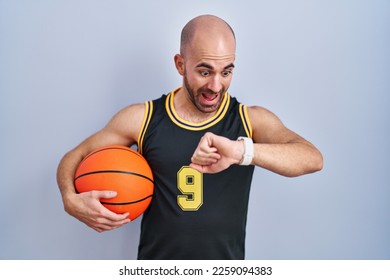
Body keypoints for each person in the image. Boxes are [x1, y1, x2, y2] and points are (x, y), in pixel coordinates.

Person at [57, 14, 323, 260]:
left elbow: (312, 158)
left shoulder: (249, 121)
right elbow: (75, 156)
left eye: (226, 72)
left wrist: (242, 151)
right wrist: (70, 199)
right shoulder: (143, 118)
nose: (216, 86)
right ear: (180, 64)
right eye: (205, 71)